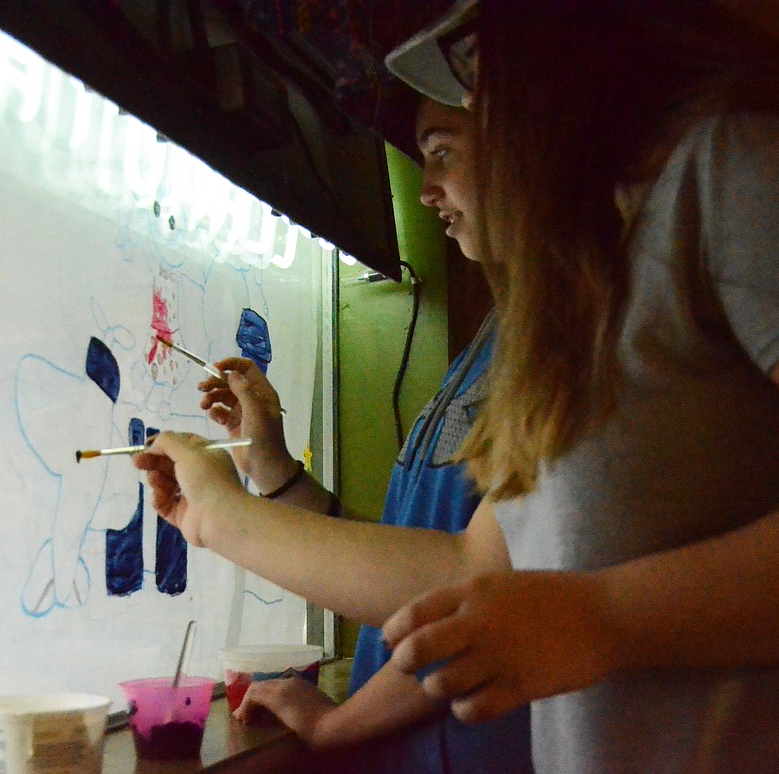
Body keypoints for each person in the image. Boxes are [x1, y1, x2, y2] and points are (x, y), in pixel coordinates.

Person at [138, 1, 779, 770]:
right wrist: (224, 526)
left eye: (442, 148)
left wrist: (605, 619)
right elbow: (475, 578)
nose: (423, 190)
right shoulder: (584, 294)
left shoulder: (747, 160)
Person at [191, 97, 532, 772]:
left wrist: (216, 512)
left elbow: (478, 597)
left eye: (442, 153)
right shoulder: (495, 340)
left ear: (531, 150)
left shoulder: (568, 347)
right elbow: (415, 565)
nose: (428, 189)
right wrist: (271, 466)